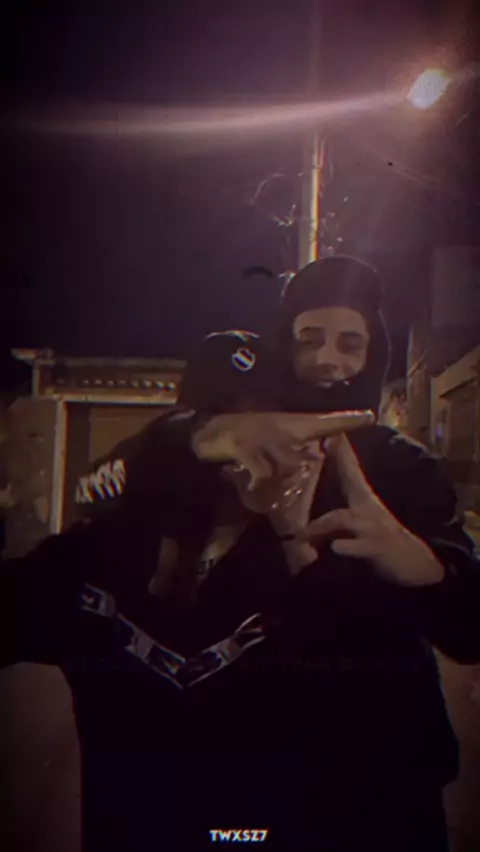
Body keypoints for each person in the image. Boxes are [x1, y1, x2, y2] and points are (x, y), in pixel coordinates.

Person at [1, 327, 371, 852]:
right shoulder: (105, 549)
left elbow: (368, 716)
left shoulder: (322, 556)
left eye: (269, 421)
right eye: (226, 423)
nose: (251, 450)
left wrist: (296, 539)